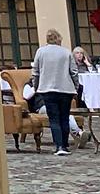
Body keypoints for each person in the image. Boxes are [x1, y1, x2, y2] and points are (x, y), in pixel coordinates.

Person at [30, 28, 81, 156]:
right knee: (64, 117)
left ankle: (59, 146)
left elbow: (35, 72)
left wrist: (36, 87)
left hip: (47, 89)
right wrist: (75, 87)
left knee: (54, 119)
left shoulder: (40, 52)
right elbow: (74, 72)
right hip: (65, 89)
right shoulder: (66, 52)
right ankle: (65, 144)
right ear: (58, 39)